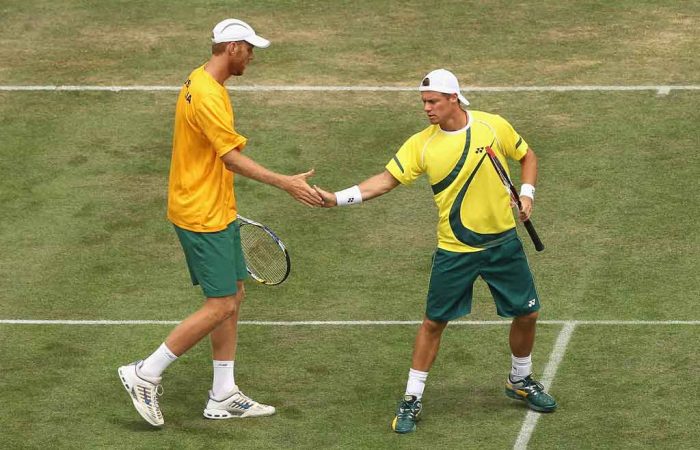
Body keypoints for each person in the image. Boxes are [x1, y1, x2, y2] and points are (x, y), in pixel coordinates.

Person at [313, 69, 557, 434]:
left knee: (528, 314)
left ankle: (519, 380)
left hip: (503, 244)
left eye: (433, 102)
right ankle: (412, 397)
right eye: (424, 102)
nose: (426, 108)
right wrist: (337, 199)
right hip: (454, 250)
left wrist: (526, 195)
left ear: (453, 99)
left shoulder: (492, 127)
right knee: (433, 323)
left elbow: (528, 156)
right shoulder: (421, 145)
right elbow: (385, 181)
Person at [117, 18, 323, 427]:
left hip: (215, 208)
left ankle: (222, 394)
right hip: (201, 214)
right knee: (221, 303)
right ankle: (145, 372)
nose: (252, 57)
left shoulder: (204, 82)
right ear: (232, 48)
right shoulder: (209, 95)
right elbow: (229, 157)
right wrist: (284, 182)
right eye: (250, 49)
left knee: (235, 297)